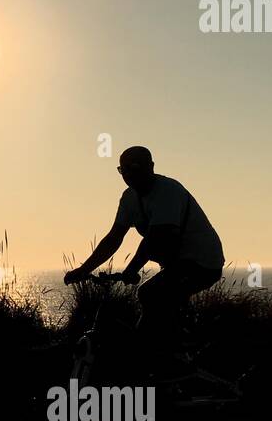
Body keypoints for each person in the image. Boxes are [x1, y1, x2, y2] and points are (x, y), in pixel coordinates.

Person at [63, 146, 224, 370]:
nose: (128, 173)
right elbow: (114, 237)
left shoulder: (168, 190)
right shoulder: (129, 198)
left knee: (150, 293)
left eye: (135, 166)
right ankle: (171, 354)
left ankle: (162, 357)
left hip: (203, 262)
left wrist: (131, 269)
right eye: (123, 169)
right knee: (160, 304)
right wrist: (83, 269)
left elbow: (157, 237)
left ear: (151, 167)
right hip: (177, 264)